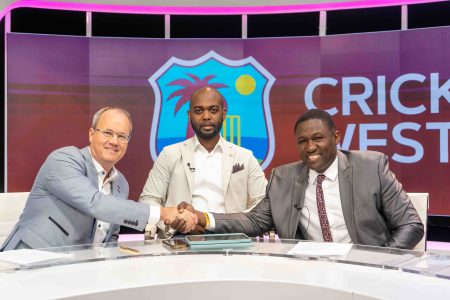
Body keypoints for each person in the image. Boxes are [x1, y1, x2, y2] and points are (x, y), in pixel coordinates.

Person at [176, 109, 424, 249]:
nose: (310, 147)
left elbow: (411, 225)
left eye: (318, 138)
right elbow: (253, 221)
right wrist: (202, 217)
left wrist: (379, 262)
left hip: (367, 269)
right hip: (311, 271)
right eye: (302, 142)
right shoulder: (283, 177)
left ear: (336, 137)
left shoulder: (371, 166)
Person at [1, 107, 197, 251]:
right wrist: (163, 213)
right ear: (91, 134)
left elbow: (110, 238)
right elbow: (96, 203)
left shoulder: (121, 184)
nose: (114, 141)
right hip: (28, 262)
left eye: (122, 136)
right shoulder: (64, 159)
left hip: (77, 273)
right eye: (107, 133)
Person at [139, 86, 267, 238]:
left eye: (213, 110)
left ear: (224, 114)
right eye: (199, 111)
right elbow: (147, 200)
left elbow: (263, 205)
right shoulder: (169, 154)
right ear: (189, 115)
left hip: (233, 239)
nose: (206, 116)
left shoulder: (244, 157)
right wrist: (173, 221)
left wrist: (231, 224)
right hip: (179, 240)